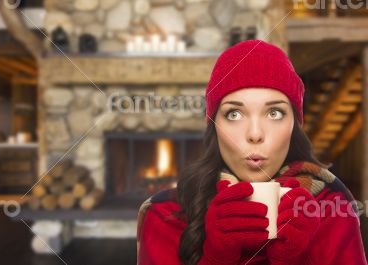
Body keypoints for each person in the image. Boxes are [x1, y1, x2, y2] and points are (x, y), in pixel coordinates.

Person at [136, 40, 367, 265]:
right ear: (213, 126)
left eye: (274, 113)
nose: (255, 134)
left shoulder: (332, 206)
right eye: (234, 114)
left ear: (294, 126)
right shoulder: (165, 214)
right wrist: (216, 259)